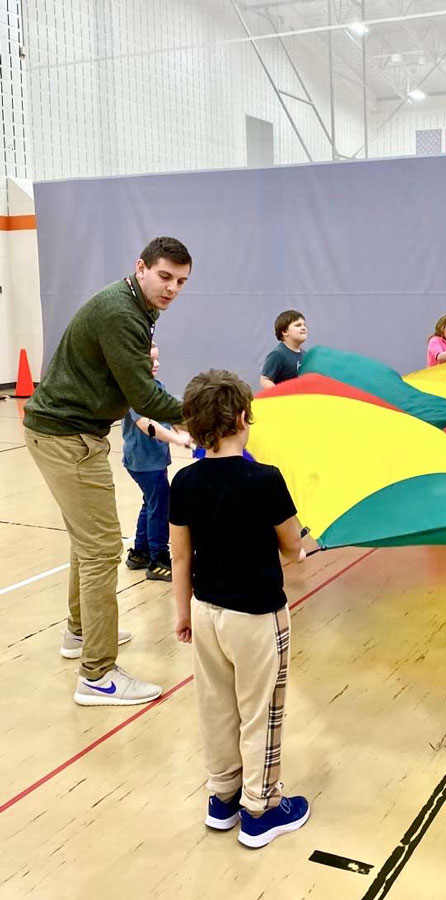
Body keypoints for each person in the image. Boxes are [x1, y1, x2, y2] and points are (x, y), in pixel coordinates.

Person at [23, 236, 192, 706]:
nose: (172, 288)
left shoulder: (136, 308)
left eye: (180, 282)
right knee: (101, 550)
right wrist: (210, 412)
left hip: (69, 433)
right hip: (68, 438)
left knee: (89, 544)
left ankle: (79, 633)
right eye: (164, 276)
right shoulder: (121, 313)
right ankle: (96, 675)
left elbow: (137, 395)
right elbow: (147, 397)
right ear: (140, 267)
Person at [170, 369, 309, 849]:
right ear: (244, 417)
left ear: (194, 424)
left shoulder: (184, 481)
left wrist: (182, 613)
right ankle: (261, 809)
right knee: (261, 711)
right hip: (257, 617)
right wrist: (298, 549)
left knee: (216, 707)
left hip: (206, 613)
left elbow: (180, 554)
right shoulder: (266, 479)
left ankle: (222, 796)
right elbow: (291, 546)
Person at [122, 342, 193, 583]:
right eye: (150, 360)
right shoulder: (134, 391)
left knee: (151, 502)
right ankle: (159, 559)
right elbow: (147, 426)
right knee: (161, 504)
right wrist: (176, 438)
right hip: (143, 462)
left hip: (154, 461)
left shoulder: (157, 388)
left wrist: (191, 433)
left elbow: (171, 416)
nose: (156, 364)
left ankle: (140, 552)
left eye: (157, 359)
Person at [259, 310, 307, 389]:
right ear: (285, 332)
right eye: (298, 325)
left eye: (304, 325)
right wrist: (280, 394)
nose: (303, 328)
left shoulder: (305, 355)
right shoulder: (278, 354)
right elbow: (264, 380)